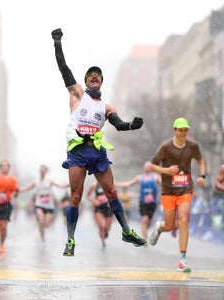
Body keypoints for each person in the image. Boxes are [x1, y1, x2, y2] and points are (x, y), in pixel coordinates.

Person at [51, 28, 146, 256]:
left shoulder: (106, 107)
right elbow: (63, 68)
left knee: (112, 191)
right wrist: (57, 43)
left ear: (102, 81)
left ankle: (125, 231)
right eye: (90, 74)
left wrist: (131, 125)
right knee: (76, 195)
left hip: (96, 151)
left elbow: (119, 124)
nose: (94, 76)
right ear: (85, 81)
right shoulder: (77, 94)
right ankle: (71, 240)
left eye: (98, 74)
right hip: (77, 152)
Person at [148, 117, 206, 272]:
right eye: (180, 130)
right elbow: (151, 166)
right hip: (168, 190)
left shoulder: (193, 146)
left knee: (183, 219)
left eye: (186, 130)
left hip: (186, 188)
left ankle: (182, 260)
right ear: (174, 130)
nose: (183, 133)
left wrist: (202, 176)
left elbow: (201, 161)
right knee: (170, 225)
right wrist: (166, 171)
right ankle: (159, 228)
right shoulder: (166, 147)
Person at [20, 164, 69, 242]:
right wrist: (19, 189)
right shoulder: (35, 181)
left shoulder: (50, 180)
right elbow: (27, 188)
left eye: (43, 169)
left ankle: (43, 231)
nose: (42, 171)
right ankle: (42, 237)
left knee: (46, 225)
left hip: (49, 205)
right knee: (41, 221)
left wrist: (67, 185)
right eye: (40, 169)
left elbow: (60, 185)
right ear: (39, 171)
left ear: (46, 171)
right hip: (39, 204)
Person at [117, 161, 161, 240]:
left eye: (149, 166)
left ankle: (149, 230)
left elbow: (163, 183)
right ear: (144, 168)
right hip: (143, 201)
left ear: (151, 168)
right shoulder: (140, 177)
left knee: (149, 222)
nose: (147, 167)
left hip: (153, 202)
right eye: (146, 166)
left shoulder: (156, 177)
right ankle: (145, 239)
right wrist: (116, 184)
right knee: (144, 220)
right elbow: (128, 184)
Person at [0, 160, 19, 253]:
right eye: (3, 166)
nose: (4, 167)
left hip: (6, 204)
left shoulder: (13, 179)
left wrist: (15, 193)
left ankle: (1, 245)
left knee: (4, 226)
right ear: (0, 167)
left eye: (6, 166)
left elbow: (14, 192)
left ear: (9, 168)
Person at [86, 181, 114, 247]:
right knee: (100, 225)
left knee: (107, 228)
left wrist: (111, 201)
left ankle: (105, 231)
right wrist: (94, 201)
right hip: (99, 207)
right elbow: (87, 195)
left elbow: (114, 193)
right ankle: (103, 240)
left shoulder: (108, 182)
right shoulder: (94, 184)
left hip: (107, 207)